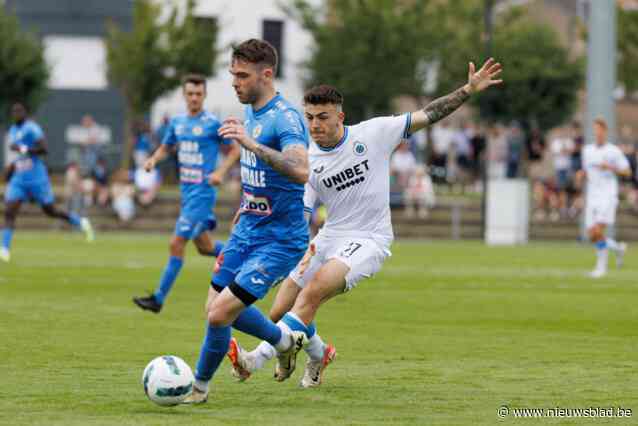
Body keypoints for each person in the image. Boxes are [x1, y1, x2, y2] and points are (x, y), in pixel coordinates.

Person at [227, 58, 503, 388]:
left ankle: (253, 360)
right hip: (329, 235)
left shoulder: (373, 134)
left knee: (311, 295)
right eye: (310, 118)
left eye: (323, 117)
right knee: (278, 311)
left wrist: (468, 90)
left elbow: (429, 114)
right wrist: (285, 255)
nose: (315, 125)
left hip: (369, 238)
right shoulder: (308, 160)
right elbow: (300, 215)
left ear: (340, 116)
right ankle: (318, 353)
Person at [183, 39, 311, 404]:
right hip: (248, 229)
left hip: (279, 240)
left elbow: (300, 170)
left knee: (221, 313)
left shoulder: (286, 118)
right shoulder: (252, 111)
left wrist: (250, 144)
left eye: (242, 75)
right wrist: (249, 200)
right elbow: (262, 173)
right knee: (215, 310)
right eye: (232, 74)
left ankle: (199, 389)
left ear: (266, 74)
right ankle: (286, 341)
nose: (235, 82)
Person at [132, 74, 240, 313]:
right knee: (204, 247)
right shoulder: (177, 123)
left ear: (204, 95)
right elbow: (167, 146)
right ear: (184, 95)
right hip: (187, 193)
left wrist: (220, 172)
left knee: (176, 243)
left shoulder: (212, 123)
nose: (194, 98)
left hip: (203, 194)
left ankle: (158, 298)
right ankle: (242, 256)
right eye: (190, 93)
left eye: (198, 94)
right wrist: (153, 159)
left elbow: (234, 151)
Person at [1, 103, 94, 262]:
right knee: (9, 211)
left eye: (20, 111)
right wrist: (10, 168)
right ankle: (4, 248)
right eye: (14, 112)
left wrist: (23, 149)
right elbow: (16, 155)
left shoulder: (32, 128)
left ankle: (81, 222)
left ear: (25, 113)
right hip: (20, 178)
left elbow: (44, 149)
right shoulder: (13, 130)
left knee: (50, 211)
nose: (17, 114)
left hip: (37, 177)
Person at [577, 118, 630, 278]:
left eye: (600, 130)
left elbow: (627, 172)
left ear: (605, 131)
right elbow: (587, 171)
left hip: (608, 195)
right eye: (595, 130)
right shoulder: (587, 151)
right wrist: (581, 175)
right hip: (592, 196)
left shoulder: (613, 151)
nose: (597, 133)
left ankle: (601, 268)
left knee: (598, 231)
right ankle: (618, 248)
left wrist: (611, 167)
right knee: (592, 235)